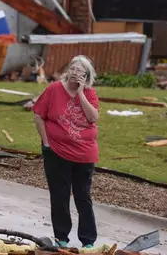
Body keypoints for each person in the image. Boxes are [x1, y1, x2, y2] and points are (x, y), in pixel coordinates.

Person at [32, 55, 100, 249]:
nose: (75, 73)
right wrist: (46, 142)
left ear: (87, 77)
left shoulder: (90, 93)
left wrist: (80, 93)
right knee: (60, 196)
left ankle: (88, 240)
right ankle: (61, 237)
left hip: (84, 154)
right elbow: (38, 115)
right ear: (67, 70)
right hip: (56, 152)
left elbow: (92, 117)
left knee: (83, 196)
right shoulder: (53, 89)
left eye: (80, 71)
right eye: (72, 69)